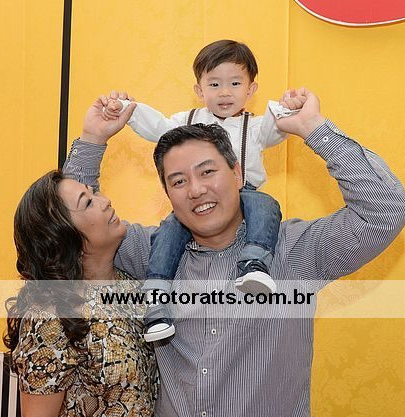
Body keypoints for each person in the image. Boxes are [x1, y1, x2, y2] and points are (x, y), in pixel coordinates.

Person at [63, 88, 405, 417]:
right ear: (167, 194)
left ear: (237, 173)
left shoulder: (294, 251)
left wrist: (315, 129)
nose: (196, 190)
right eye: (178, 181)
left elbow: (386, 211)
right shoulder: (154, 254)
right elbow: (71, 220)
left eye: (207, 172)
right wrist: (93, 138)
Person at [103, 40, 293, 342]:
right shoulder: (187, 121)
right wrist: (129, 110)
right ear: (199, 90)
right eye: (214, 84)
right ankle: (156, 296)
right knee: (168, 232)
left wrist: (287, 108)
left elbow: (276, 128)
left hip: (247, 195)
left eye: (235, 83)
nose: (225, 92)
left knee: (266, 205)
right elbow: (158, 126)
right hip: (195, 210)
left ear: (251, 90)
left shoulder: (254, 127)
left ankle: (254, 263)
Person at [4, 101, 157, 417]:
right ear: (65, 237)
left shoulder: (130, 283)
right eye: (89, 201)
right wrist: (91, 137)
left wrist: (95, 135)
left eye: (94, 194)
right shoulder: (51, 314)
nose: (105, 200)